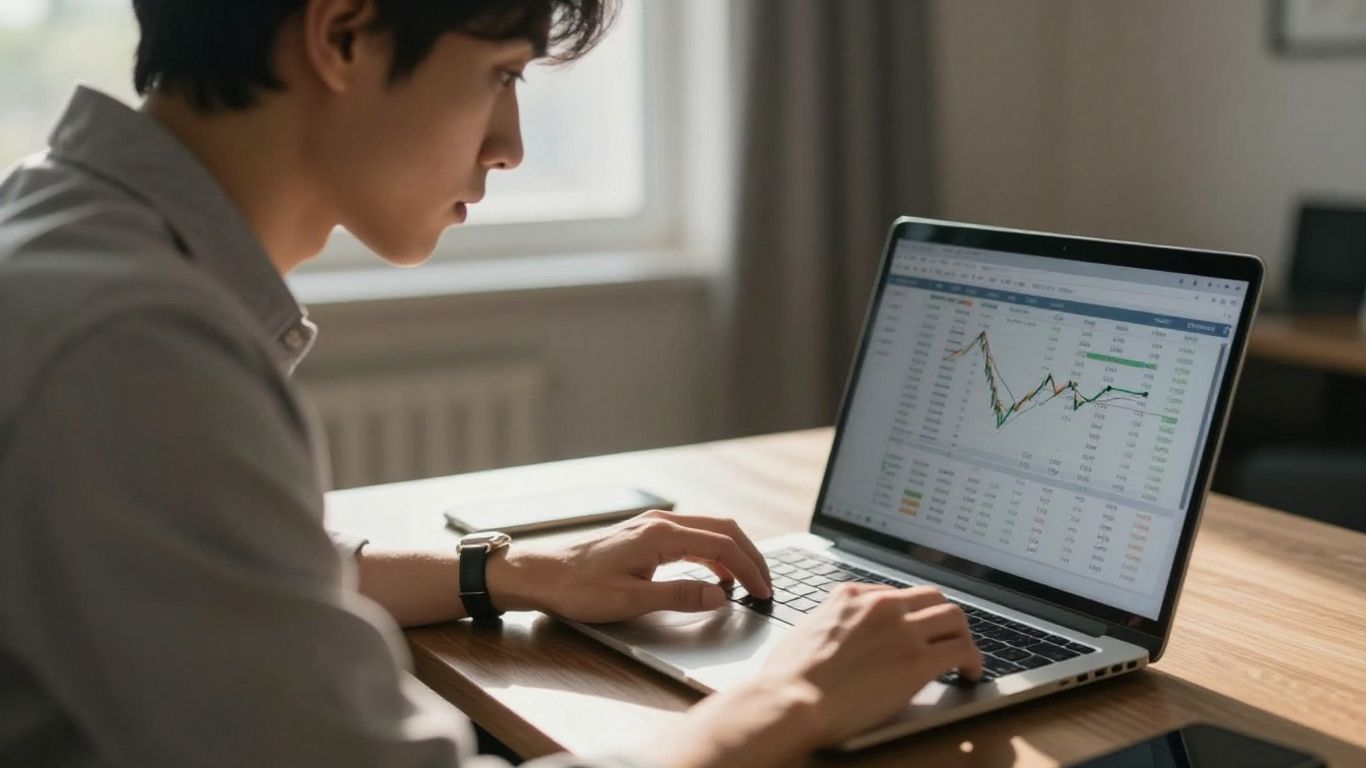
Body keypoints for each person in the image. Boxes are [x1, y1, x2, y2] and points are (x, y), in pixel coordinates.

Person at [0, 1, 982, 766]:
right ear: (344, 34)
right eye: (498, 75)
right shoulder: (133, 348)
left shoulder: (64, 234)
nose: (509, 144)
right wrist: (791, 697)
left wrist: (514, 573)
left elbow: (225, 571)